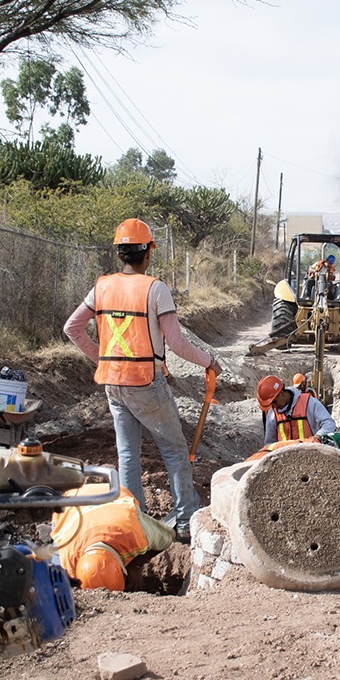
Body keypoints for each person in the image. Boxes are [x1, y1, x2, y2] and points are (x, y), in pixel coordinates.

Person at [63, 218, 223, 544]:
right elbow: (177, 344)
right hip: (146, 383)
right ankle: (184, 523)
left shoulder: (102, 287)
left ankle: (134, 521)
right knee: (176, 452)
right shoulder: (155, 289)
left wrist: (103, 359)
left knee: (127, 454)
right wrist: (210, 362)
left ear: (120, 253)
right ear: (148, 251)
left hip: (113, 383)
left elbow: (72, 328)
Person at [50, 485, 173, 590]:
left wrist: (135, 566)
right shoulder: (66, 562)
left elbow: (168, 536)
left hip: (114, 494)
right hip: (67, 505)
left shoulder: (133, 531)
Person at [256, 374, 336, 446]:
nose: (274, 406)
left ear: (281, 393)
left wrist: (318, 437)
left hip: (310, 453)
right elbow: (269, 444)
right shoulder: (272, 413)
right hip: (284, 458)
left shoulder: (309, 403)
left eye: (274, 402)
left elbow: (329, 423)